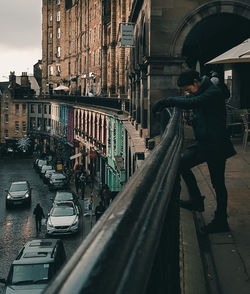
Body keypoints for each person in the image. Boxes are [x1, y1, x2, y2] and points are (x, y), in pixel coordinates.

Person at [152, 69, 236, 234]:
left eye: (189, 88)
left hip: (215, 145)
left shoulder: (212, 92)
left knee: (217, 184)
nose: (187, 92)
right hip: (206, 143)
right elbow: (189, 98)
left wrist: (166, 101)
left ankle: (220, 221)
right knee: (183, 164)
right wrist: (167, 102)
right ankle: (197, 201)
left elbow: (192, 102)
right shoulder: (204, 89)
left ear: (196, 82)